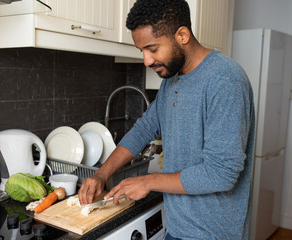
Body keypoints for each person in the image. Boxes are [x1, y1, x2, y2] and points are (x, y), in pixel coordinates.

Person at [78, 0, 255, 239]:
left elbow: (221, 173)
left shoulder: (225, 80)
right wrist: (101, 174)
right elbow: (144, 129)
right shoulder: (172, 80)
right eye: (141, 51)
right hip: (178, 227)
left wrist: (148, 181)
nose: (146, 61)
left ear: (182, 35)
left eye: (152, 49)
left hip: (213, 233)